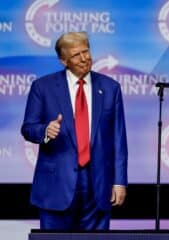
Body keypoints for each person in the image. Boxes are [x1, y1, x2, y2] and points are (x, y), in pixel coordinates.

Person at [21, 32, 128, 230]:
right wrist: (45, 130)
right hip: (56, 184)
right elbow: (28, 128)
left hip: (98, 183)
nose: (84, 58)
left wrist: (120, 182)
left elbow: (119, 139)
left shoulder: (111, 88)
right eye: (76, 55)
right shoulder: (42, 87)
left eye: (86, 51)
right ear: (63, 61)